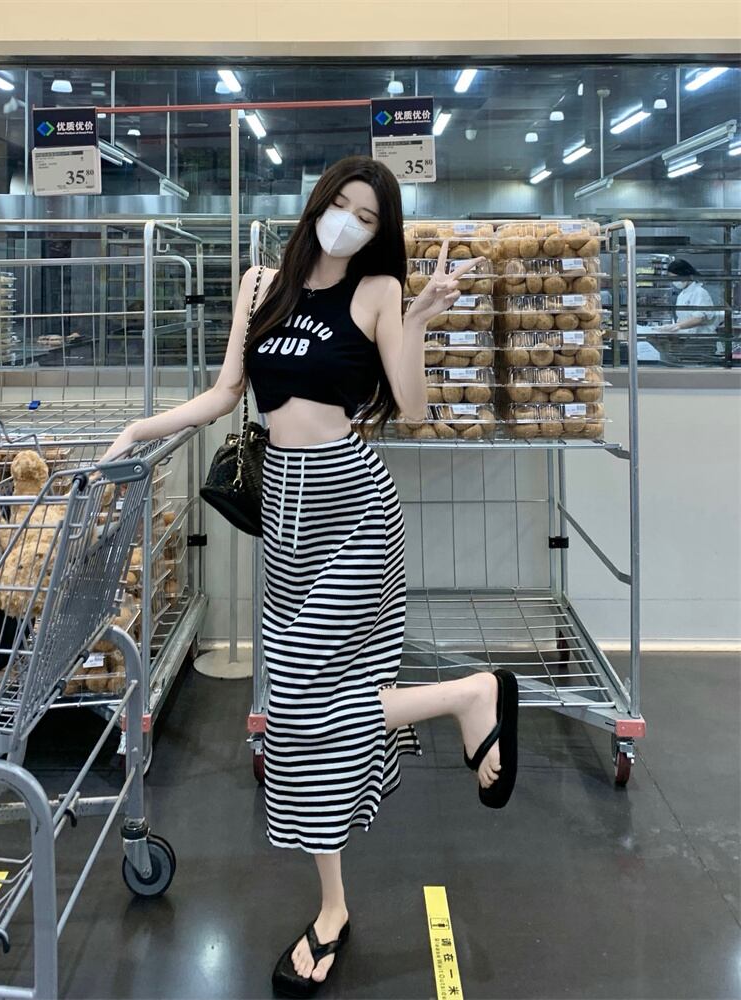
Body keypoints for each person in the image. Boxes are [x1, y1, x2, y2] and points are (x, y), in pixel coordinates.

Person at [101, 156, 519, 997]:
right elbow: (226, 394)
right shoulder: (261, 285)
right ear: (317, 203)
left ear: (380, 232)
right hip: (284, 516)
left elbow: (411, 407)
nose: (350, 224)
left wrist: (421, 318)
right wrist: (140, 429)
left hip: (354, 506)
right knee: (297, 720)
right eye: (342, 206)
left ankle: (469, 698)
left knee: (297, 697)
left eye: (369, 217)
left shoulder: (380, 292)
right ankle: (334, 906)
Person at [646, 259, 724, 366]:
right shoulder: (682, 295)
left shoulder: (700, 292)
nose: (674, 282)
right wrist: (671, 328)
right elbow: (682, 319)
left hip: (701, 342)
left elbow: (699, 318)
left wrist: (677, 326)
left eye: (675, 278)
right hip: (688, 341)